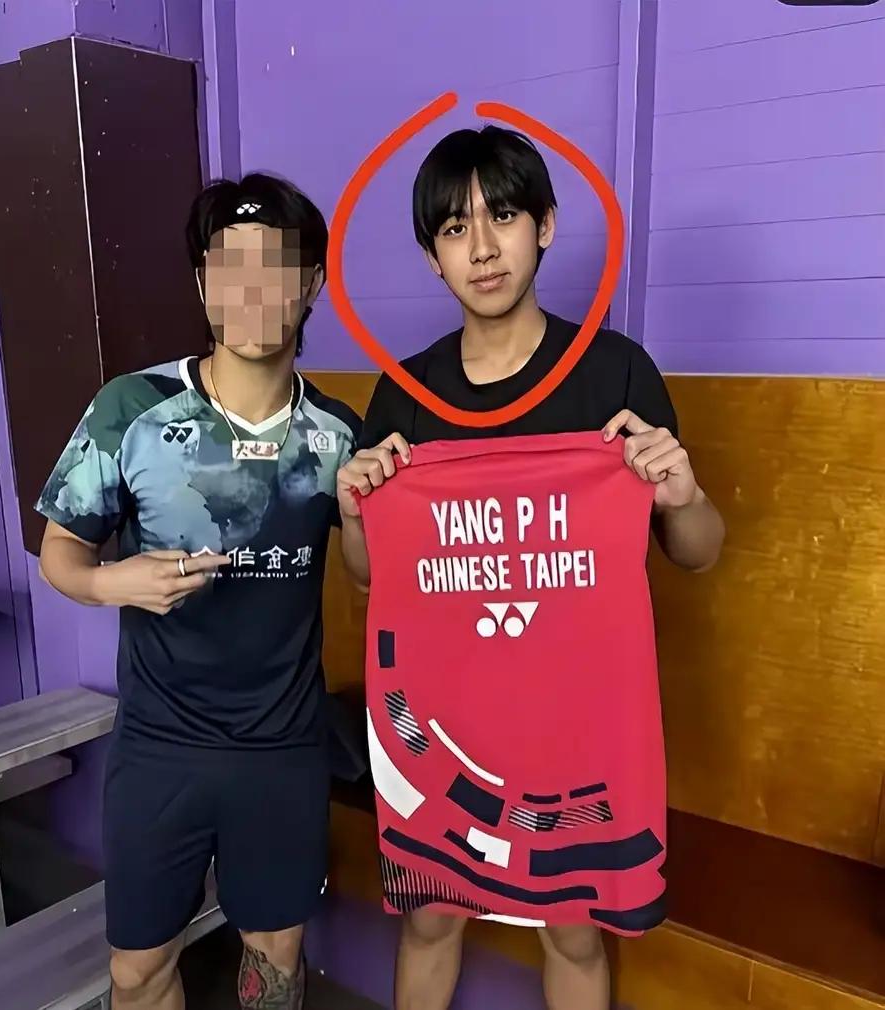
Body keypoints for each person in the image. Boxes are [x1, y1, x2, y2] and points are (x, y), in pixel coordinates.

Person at [336, 126, 725, 1010]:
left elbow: (698, 553)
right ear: (432, 256)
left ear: (544, 225)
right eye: (454, 228)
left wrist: (685, 494)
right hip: (446, 721)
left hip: (575, 725)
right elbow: (367, 577)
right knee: (429, 917)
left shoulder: (614, 373)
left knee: (573, 928)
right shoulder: (405, 394)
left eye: (503, 217)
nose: (481, 247)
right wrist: (356, 512)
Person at [37, 172, 361, 1010]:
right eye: (230, 266)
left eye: (276, 266)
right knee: (137, 971)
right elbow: (60, 553)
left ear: (311, 284)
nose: (252, 290)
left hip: (282, 749)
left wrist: (365, 509)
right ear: (203, 282)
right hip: (161, 746)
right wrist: (113, 581)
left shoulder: (337, 436)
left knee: (274, 963)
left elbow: (366, 571)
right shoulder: (131, 409)